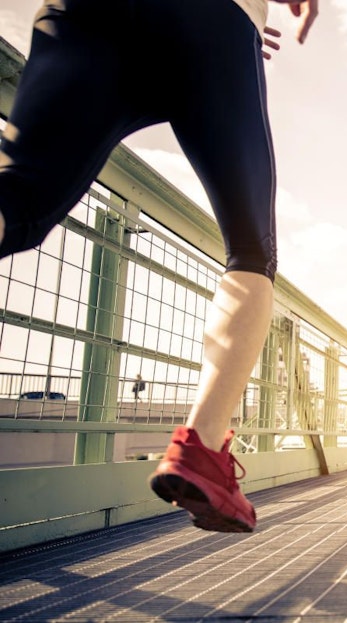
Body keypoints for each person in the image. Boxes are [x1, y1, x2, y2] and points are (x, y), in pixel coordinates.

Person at [0, 0, 319, 533]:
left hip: (86, 14)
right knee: (250, 249)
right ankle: (203, 447)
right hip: (213, 21)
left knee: (18, 203)